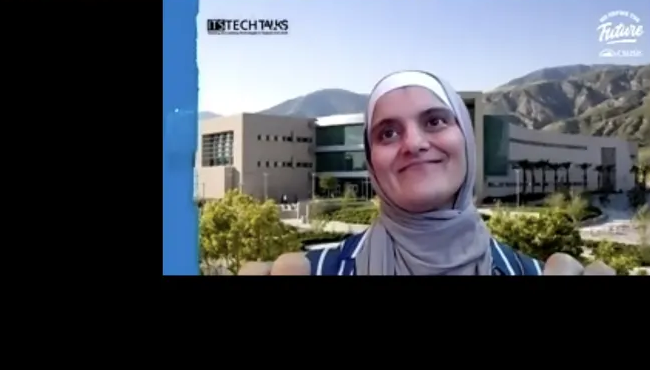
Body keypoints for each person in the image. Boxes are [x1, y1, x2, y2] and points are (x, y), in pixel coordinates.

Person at [239, 70, 615, 276]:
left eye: (435, 121)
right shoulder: (321, 271)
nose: (414, 143)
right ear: (371, 164)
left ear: (467, 141)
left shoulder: (529, 273)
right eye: (387, 133)